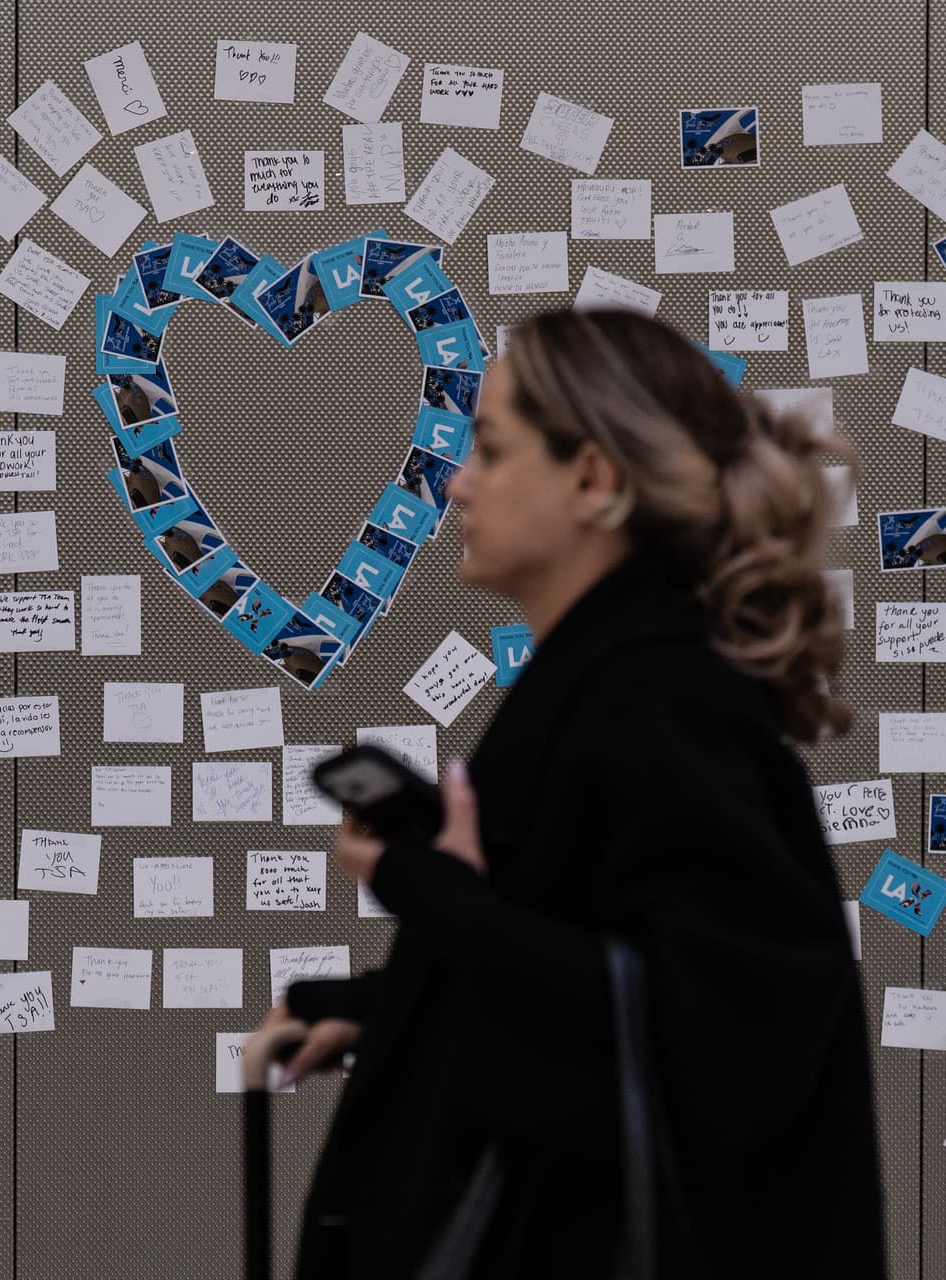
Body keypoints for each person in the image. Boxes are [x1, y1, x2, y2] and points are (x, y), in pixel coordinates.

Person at [250, 308, 887, 1279]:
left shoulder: (659, 701)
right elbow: (589, 957)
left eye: (492, 450)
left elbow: (717, 1037)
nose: (456, 481)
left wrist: (436, 895)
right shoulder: (610, 680)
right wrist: (391, 1008)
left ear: (592, 479)